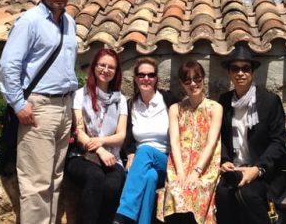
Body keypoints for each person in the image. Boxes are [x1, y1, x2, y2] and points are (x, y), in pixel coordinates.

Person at [0, 0, 78, 223]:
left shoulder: (70, 22)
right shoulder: (30, 21)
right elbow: (8, 66)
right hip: (39, 107)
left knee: (54, 180)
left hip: (64, 106)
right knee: (36, 184)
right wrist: (19, 104)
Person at [215, 44, 286, 224]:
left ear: (252, 72)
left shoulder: (269, 102)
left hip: (263, 172)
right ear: (229, 73)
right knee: (222, 194)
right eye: (235, 69)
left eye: (246, 68)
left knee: (247, 194)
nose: (240, 73)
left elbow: (278, 142)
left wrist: (257, 169)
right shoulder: (224, 102)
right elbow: (220, 137)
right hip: (235, 170)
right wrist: (224, 160)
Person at [65, 48, 128, 224]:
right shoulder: (79, 95)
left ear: (116, 72)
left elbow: (121, 135)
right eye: (102, 65)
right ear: (94, 67)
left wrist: (102, 141)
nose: (105, 70)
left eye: (111, 67)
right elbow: (78, 132)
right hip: (82, 156)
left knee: (113, 185)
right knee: (95, 176)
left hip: (112, 157)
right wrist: (100, 150)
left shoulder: (120, 100)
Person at [113, 57, 178, 224]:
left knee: (145, 150)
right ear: (135, 78)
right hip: (142, 164)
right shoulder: (131, 105)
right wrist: (130, 152)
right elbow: (127, 137)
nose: (146, 79)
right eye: (141, 75)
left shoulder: (169, 101)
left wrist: (137, 152)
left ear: (156, 78)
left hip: (166, 160)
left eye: (150, 75)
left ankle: (124, 214)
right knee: (149, 177)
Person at [159, 60, 222, 223]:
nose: (193, 84)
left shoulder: (215, 108)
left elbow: (211, 143)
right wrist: (180, 172)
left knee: (195, 188)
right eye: (188, 80)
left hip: (206, 166)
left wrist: (196, 172)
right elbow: (174, 142)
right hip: (180, 165)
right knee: (176, 188)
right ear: (182, 84)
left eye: (197, 79)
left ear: (203, 79)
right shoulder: (175, 109)